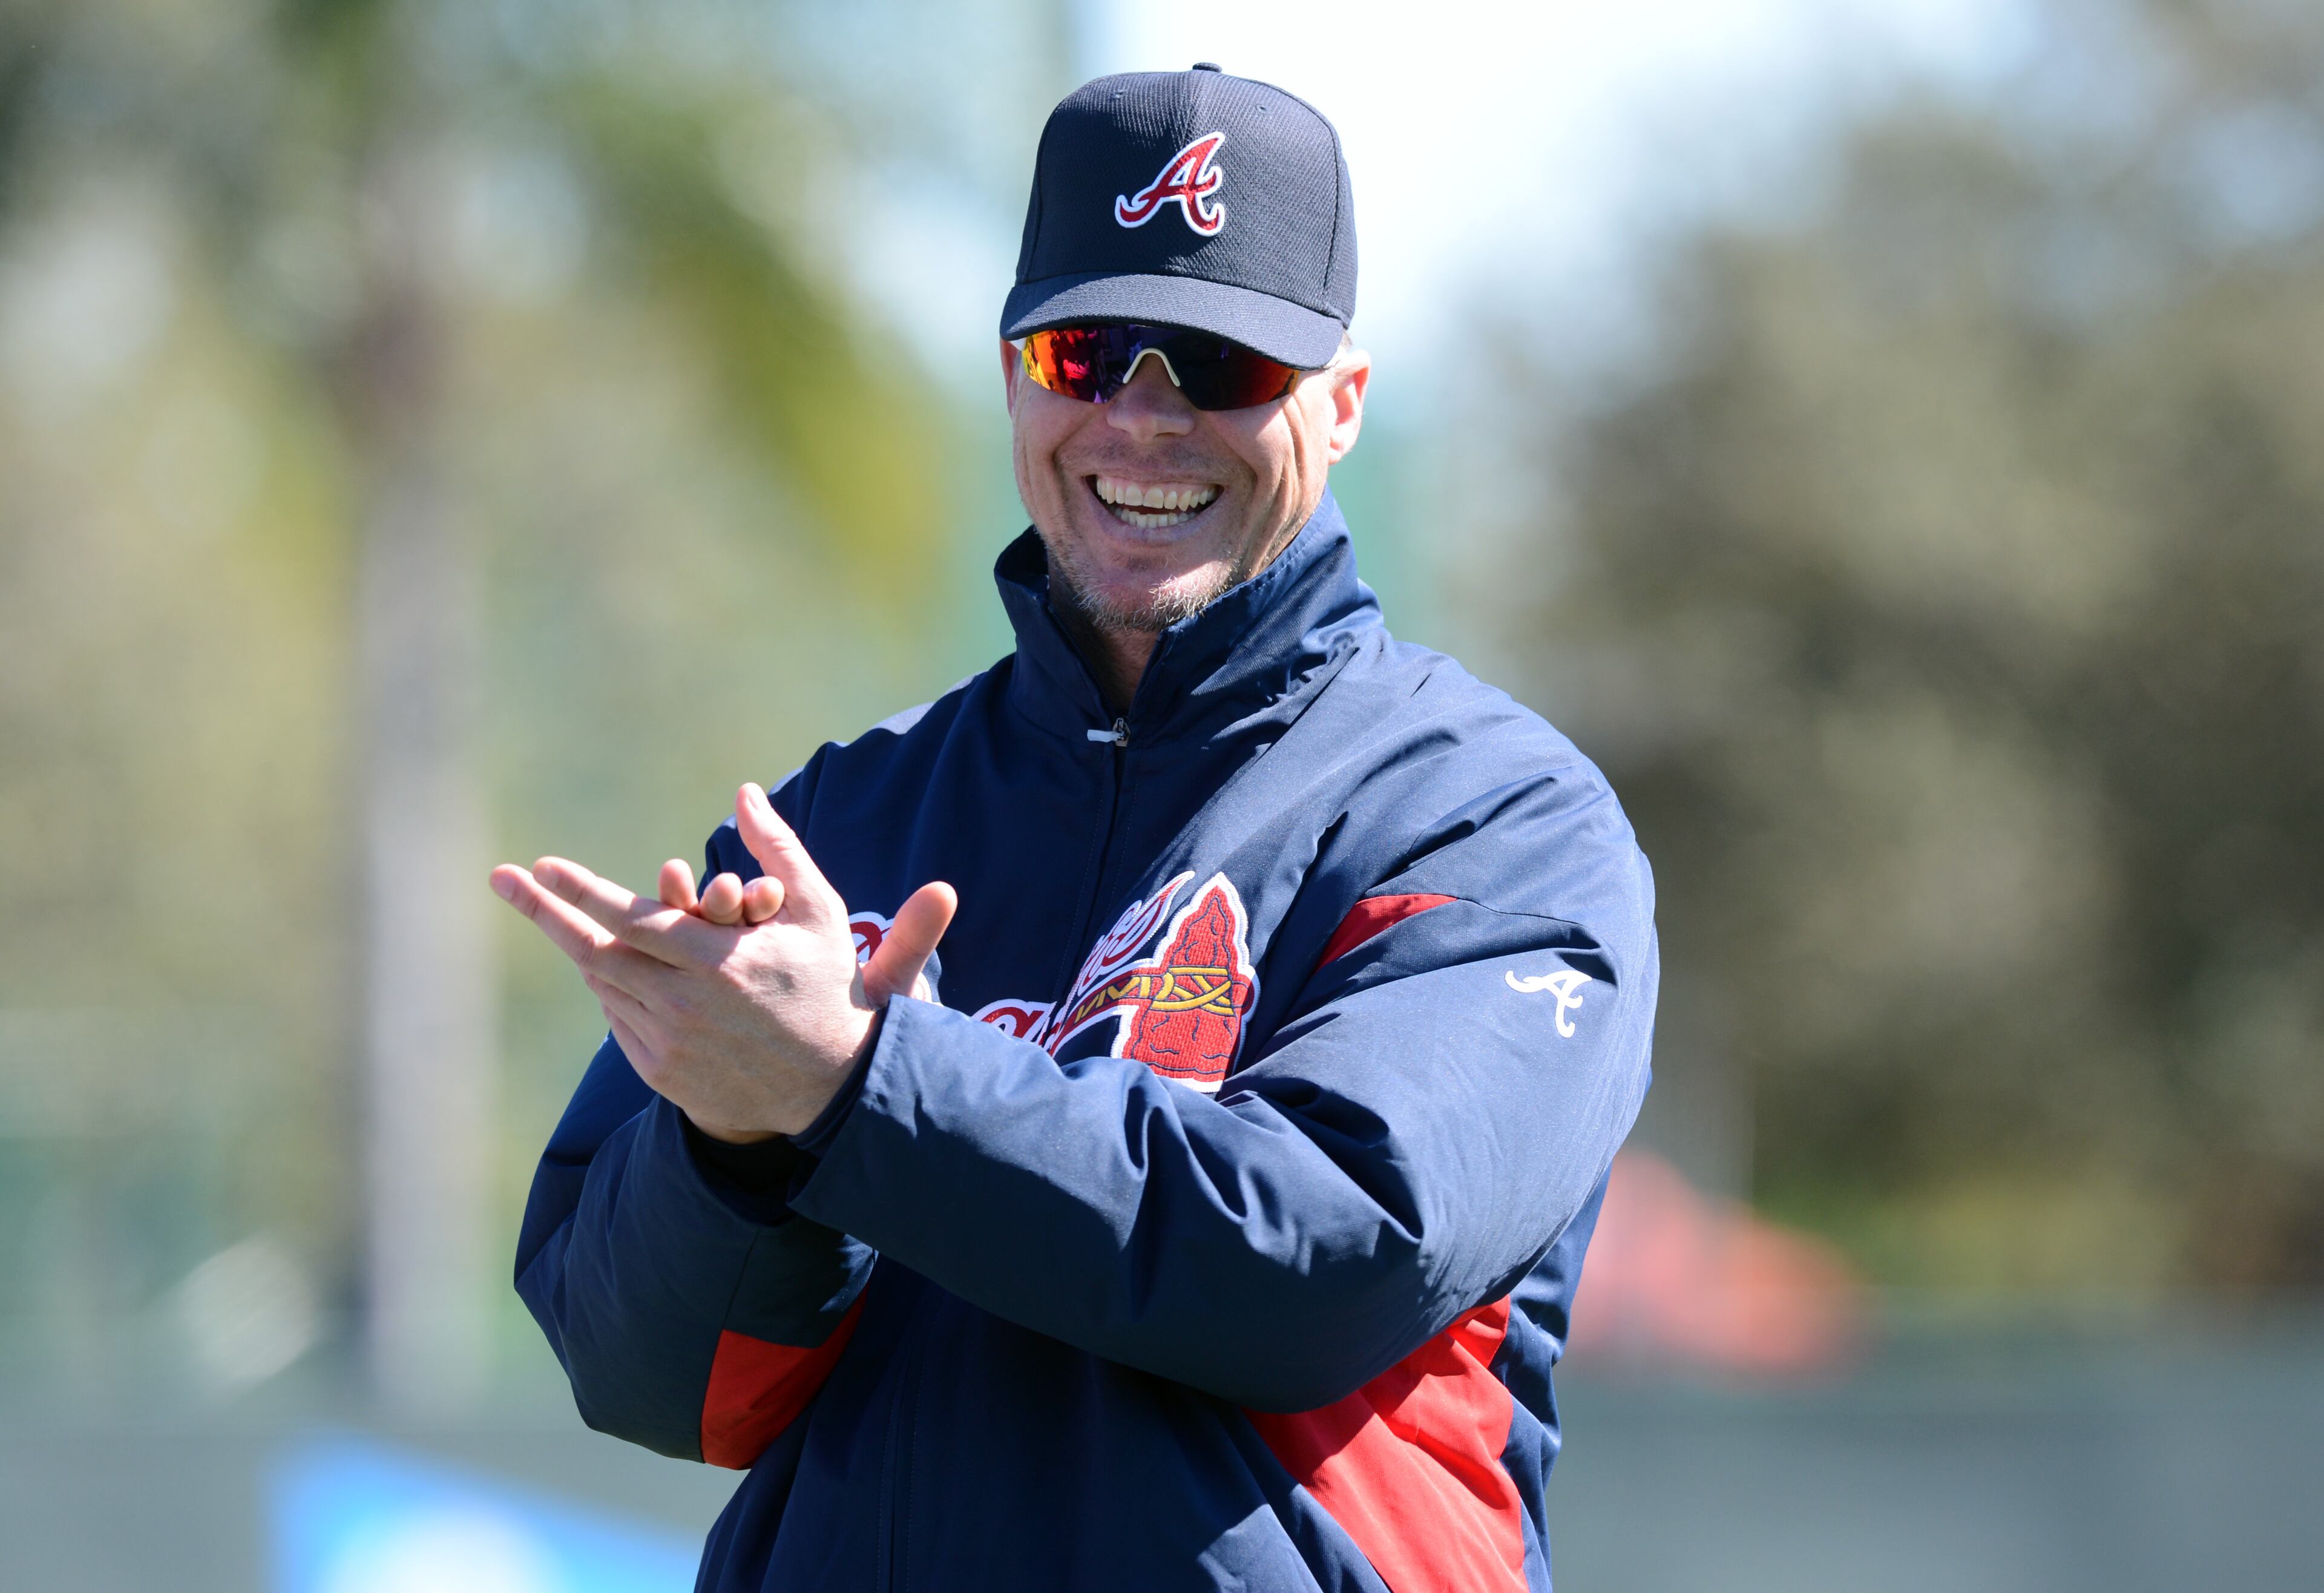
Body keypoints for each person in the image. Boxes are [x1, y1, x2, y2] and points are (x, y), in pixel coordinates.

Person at [498, 64, 1656, 1593]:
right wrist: (735, 1139)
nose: (1143, 415)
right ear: (1013, 377)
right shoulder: (842, 820)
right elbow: (649, 1381)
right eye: (1087, 348)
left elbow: (1325, 1250)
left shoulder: (1490, 817)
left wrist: (859, 1080)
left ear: (1345, 401)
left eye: (1219, 359)